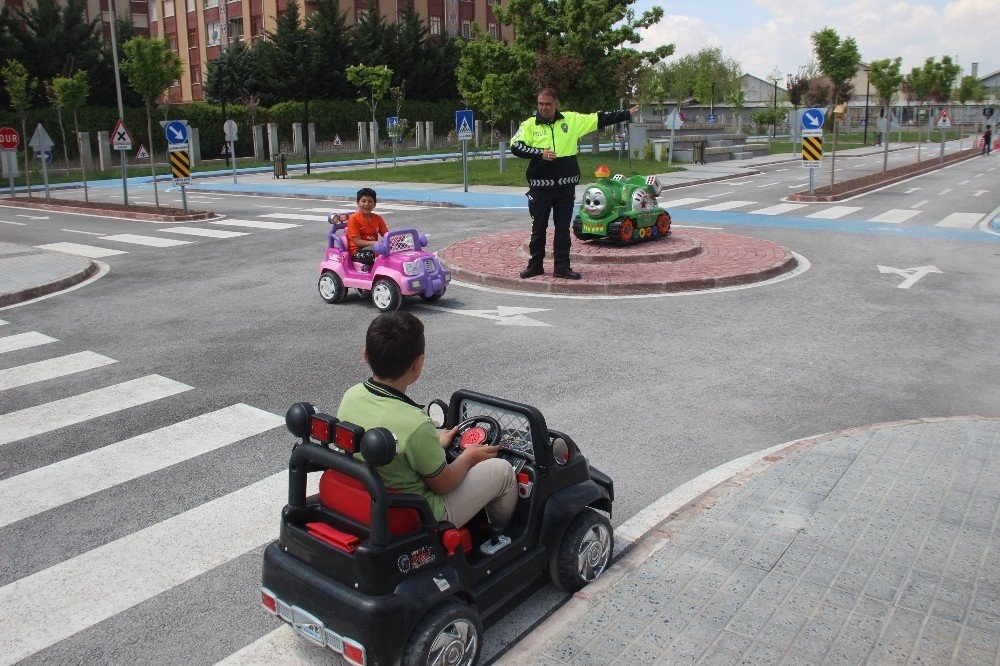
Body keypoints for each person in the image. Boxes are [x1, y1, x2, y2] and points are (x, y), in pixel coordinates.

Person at [337, 312, 517, 531]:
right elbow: (443, 484)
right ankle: (500, 537)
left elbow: (402, 448)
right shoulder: (416, 423)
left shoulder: (351, 395)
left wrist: (434, 444)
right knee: (503, 471)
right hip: (423, 514)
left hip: (369, 497)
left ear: (365, 354)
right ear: (418, 363)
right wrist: (469, 458)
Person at [510, 88, 638, 280]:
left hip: (565, 186)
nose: (543, 108)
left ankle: (562, 267)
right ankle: (535, 265)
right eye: (540, 104)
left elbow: (598, 118)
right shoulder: (529, 124)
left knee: (563, 228)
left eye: (548, 104)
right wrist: (539, 153)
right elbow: (516, 146)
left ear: (556, 104)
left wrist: (625, 114)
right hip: (540, 188)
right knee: (538, 228)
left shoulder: (571, 120)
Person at [346, 187, 388, 269]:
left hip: (373, 247)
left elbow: (386, 234)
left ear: (374, 204)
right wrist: (376, 243)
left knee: (392, 250)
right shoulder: (353, 218)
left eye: (370, 201)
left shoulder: (378, 218)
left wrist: (397, 240)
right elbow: (357, 241)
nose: (366, 204)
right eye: (363, 201)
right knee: (374, 254)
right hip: (357, 251)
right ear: (358, 203)